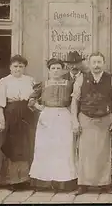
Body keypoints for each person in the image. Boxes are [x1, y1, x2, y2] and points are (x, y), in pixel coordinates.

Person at [71, 52, 112, 195]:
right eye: (94, 62)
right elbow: (74, 101)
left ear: (104, 63)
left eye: (99, 62)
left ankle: (105, 184)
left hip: (105, 120)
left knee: (105, 153)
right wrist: (75, 121)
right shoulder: (81, 78)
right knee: (85, 153)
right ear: (89, 63)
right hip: (85, 119)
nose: (96, 65)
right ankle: (83, 184)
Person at [28, 58, 77, 192]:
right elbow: (32, 99)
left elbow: (75, 100)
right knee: (45, 148)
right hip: (47, 117)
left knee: (63, 148)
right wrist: (40, 108)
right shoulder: (43, 84)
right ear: (49, 70)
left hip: (64, 116)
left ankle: (62, 183)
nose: (56, 71)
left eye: (58, 68)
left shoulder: (70, 84)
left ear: (62, 70)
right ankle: (44, 182)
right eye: (53, 68)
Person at [0, 55, 36, 190]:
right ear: (10, 67)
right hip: (10, 115)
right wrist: (2, 121)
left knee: (26, 145)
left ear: (24, 68)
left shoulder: (30, 80)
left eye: (21, 66)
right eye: (15, 66)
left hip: (27, 115)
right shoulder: (4, 81)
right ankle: (11, 180)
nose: (18, 69)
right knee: (11, 146)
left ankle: (25, 179)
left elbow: (35, 98)